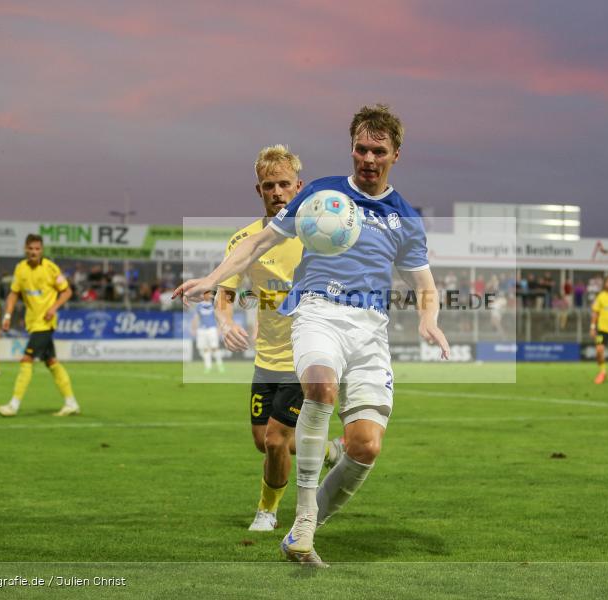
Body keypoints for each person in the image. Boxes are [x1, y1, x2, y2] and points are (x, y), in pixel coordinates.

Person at [174, 104, 449, 565]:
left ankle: (307, 524)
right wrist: (211, 279)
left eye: (377, 150)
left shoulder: (404, 218)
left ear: (395, 154)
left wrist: (428, 319)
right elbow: (259, 242)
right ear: (351, 149)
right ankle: (301, 524)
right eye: (360, 148)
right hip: (318, 312)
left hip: (371, 331)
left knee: (365, 447)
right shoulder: (320, 195)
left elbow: (425, 285)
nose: (367, 158)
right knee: (319, 389)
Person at [215, 144, 342, 532]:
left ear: (299, 186)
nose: (277, 192)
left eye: (284, 184)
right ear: (259, 190)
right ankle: (327, 450)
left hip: (304, 356)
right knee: (263, 441)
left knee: (274, 439)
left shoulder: (318, 236)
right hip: (266, 358)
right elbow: (224, 291)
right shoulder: (244, 241)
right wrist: (224, 322)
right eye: (268, 185)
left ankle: (266, 513)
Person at [0, 234, 80, 417]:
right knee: (52, 362)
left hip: (45, 323)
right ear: (26, 249)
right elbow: (13, 294)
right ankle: (71, 403)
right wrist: (7, 315)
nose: (34, 252)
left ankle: (13, 405)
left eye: (37, 249)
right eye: (31, 249)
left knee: (27, 359)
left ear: (42, 250)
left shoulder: (50, 268)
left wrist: (53, 308)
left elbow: (67, 291)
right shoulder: (20, 269)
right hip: (32, 323)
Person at [192, 290, 224, 373]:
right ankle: (208, 367)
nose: (208, 295)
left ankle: (220, 365)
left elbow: (218, 317)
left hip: (212, 329)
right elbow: (196, 318)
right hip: (202, 329)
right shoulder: (199, 306)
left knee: (214, 348)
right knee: (205, 349)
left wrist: (219, 328)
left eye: (209, 294)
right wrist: (194, 328)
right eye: (206, 294)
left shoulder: (214, 305)